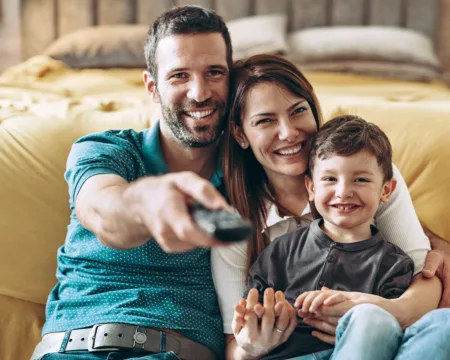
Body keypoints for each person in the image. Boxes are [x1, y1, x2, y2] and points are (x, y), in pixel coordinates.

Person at [213, 54, 450, 360]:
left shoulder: (371, 172)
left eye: (298, 111)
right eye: (265, 120)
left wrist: (375, 309)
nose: (288, 132)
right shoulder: (236, 221)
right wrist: (252, 345)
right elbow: (234, 342)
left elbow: (423, 277)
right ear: (240, 133)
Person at [31, 6, 234, 360]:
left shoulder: (248, 174)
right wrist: (147, 202)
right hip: (68, 350)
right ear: (152, 87)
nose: (199, 92)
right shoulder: (105, 150)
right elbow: (105, 209)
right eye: (179, 76)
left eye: (214, 72)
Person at [243, 115, 419, 359]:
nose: (344, 192)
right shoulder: (281, 250)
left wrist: (361, 317)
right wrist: (261, 318)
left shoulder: (394, 265)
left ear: (386, 190)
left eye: (361, 179)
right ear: (312, 188)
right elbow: (251, 313)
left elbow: (392, 334)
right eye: (329, 179)